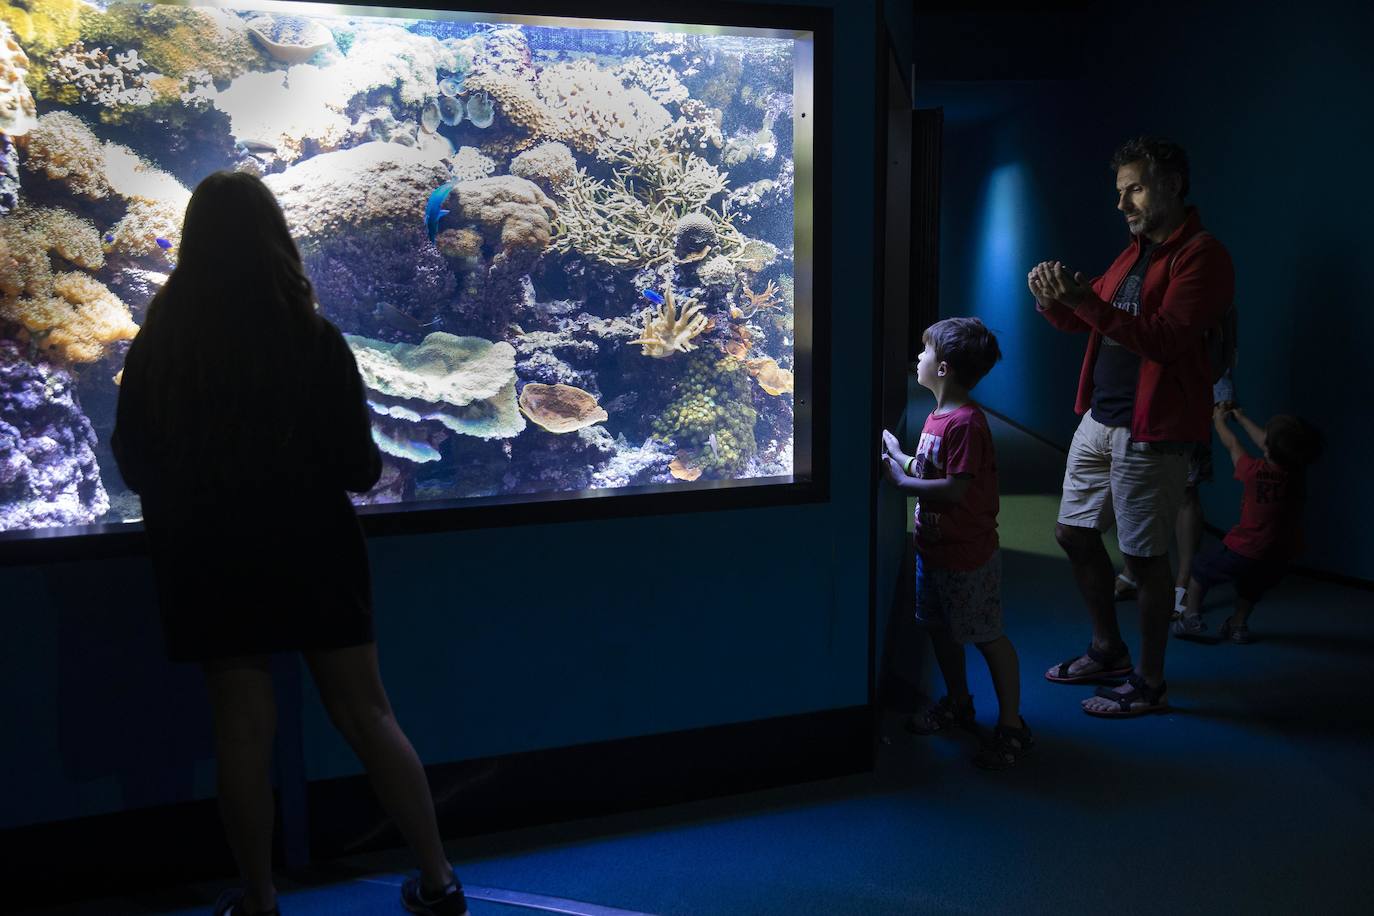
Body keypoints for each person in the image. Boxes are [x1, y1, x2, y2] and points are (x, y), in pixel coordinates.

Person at [112, 172, 468, 916]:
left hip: (209, 557)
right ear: (278, 238)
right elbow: (360, 467)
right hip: (313, 550)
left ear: (193, 244)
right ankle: (438, 880)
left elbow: (135, 463)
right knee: (368, 714)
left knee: (241, 728)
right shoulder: (313, 338)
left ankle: (261, 899)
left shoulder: (162, 344)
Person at [1028, 136, 1235, 717]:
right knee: (1073, 533)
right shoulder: (1133, 252)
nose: (1123, 205)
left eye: (1136, 189)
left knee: (1144, 561)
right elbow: (1092, 320)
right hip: (1101, 417)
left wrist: (1083, 302)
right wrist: (1054, 300)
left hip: (1154, 429)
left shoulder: (1203, 256)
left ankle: (1150, 682)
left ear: (1172, 184)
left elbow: (1166, 339)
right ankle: (1107, 649)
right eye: (1120, 192)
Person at [880, 317, 1032, 769]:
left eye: (925, 352)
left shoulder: (966, 424)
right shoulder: (937, 415)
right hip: (933, 550)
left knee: (986, 636)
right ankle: (959, 701)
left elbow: (953, 489)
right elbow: (931, 467)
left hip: (967, 557)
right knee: (939, 628)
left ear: (943, 369)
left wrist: (900, 481)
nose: (919, 358)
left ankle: (1011, 726)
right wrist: (898, 453)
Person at [1171, 407, 1323, 643]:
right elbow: (1269, 442)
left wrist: (1218, 420)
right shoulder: (1297, 476)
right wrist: (1241, 417)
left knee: (1200, 570)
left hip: (1243, 549)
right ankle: (1238, 625)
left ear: (1267, 447)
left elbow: (1231, 443)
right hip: (1279, 555)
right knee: (1252, 587)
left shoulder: (1253, 471)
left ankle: (1190, 617)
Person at [1113, 366, 1236, 615]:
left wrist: (1221, 391)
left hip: (1188, 399)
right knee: (1142, 484)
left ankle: (1183, 583)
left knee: (1185, 490)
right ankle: (1133, 572)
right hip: (1142, 398)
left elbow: (1215, 338)